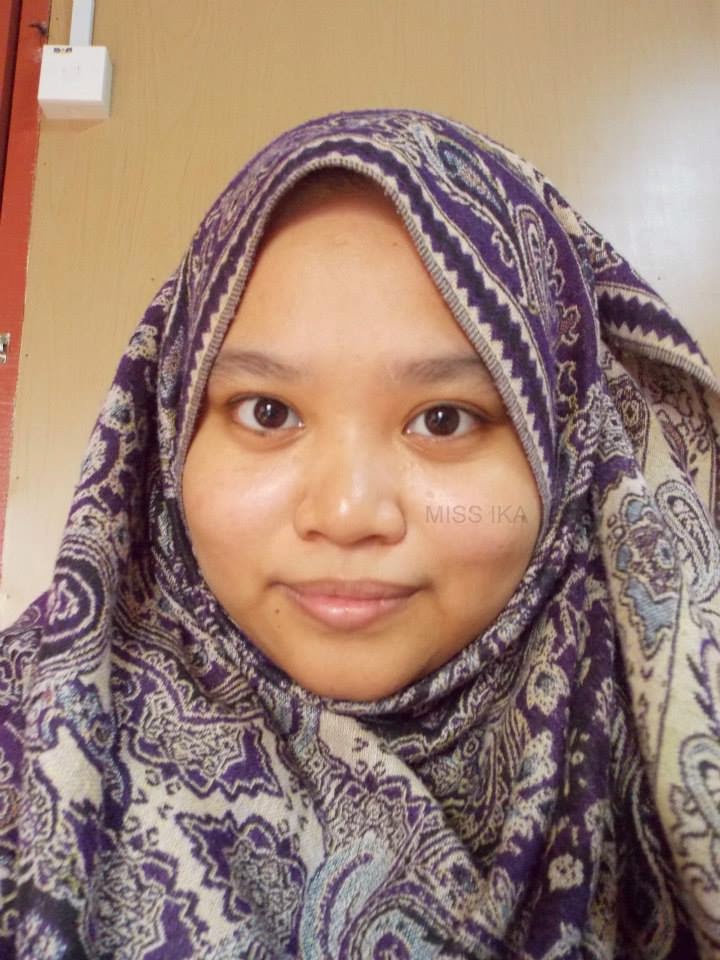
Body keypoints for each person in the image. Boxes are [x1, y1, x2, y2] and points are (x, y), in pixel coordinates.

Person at [0, 108, 718, 959]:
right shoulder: (30, 737)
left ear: (563, 452)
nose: (345, 515)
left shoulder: (676, 725)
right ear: (170, 428)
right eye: (267, 412)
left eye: (444, 419)